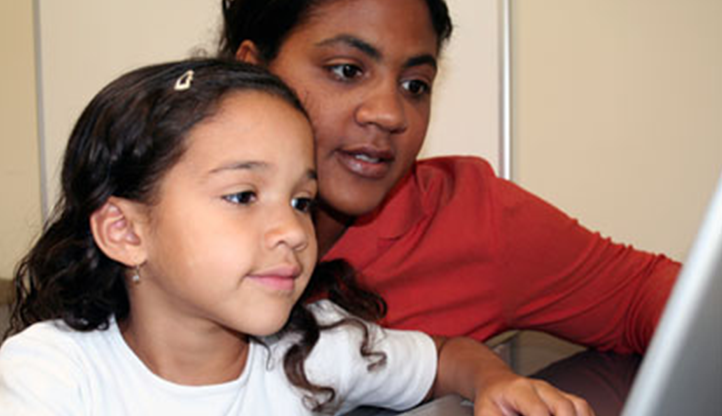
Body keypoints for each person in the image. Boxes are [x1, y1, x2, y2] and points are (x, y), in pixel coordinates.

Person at [0, 59, 593, 415]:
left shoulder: (310, 349)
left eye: (302, 201)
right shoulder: (53, 374)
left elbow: (445, 358)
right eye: (242, 196)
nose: (293, 230)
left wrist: (498, 382)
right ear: (126, 230)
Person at [218, 0, 680, 355]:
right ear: (254, 70)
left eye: (414, 85)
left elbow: (647, 296)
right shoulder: (158, 208)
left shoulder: (474, 222)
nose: (389, 114)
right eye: (347, 70)